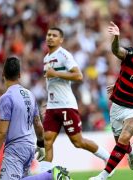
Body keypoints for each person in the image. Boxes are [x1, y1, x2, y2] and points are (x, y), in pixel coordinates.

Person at [89, 21, 133, 180]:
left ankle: (103, 176)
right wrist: (116, 38)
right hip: (118, 107)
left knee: (124, 137)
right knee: (122, 143)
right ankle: (130, 152)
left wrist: (119, 83)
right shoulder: (131, 54)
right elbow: (116, 50)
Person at [0, 57, 72, 180]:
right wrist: (40, 145)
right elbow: (38, 124)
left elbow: (1, 133)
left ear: (3, 74)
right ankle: (49, 176)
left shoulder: (6, 98)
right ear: (19, 75)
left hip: (15, 149)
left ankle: (50, 175)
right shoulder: (29, 95)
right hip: (29, 147)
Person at [40, 27, 110, 172]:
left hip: (66, 105)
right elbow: (51, 83)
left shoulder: (64, 55)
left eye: (54, 35)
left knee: (78, 142)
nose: (50, 37)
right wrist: (48, 101)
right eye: (49, 35)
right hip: (53, 106)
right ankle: (44, 175)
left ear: (61, 40)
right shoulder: (46, 58)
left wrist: (56, 74)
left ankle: (107, 157)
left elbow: (78, 76)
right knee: (47, 140)